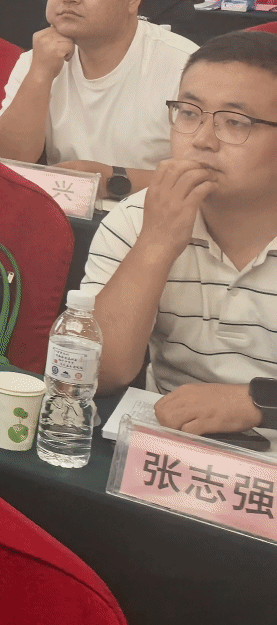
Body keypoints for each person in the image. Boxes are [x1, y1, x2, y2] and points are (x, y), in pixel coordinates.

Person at [86, 32, 277, 438]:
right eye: (189, 113)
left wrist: (258, 402)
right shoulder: (138, 218)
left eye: (235, 122)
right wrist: (157, 243)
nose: (202, 140)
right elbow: (99, 373)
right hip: (169, 449)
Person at [0, 0, 195, 199]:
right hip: (61, 215)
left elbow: (208, 177)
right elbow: (7, 160)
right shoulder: (37, 60)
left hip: (153, 215)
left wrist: (110, 180)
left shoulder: (186, 68)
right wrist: (40, 74)